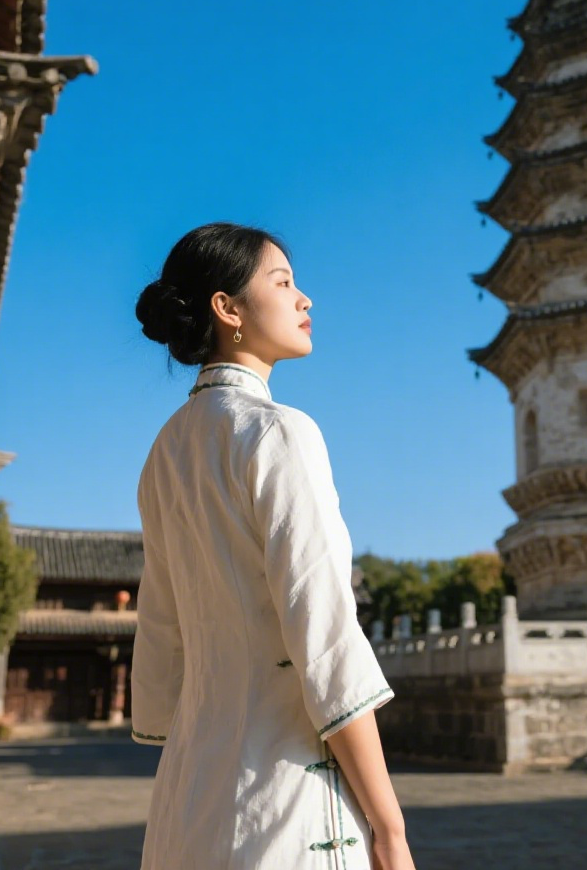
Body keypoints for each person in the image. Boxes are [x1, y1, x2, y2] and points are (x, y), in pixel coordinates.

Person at [132, 222, 416, 870]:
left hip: (188, 797)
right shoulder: (278, 433)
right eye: (282, 282)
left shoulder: (164, 453)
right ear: (227, 309)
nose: (304, 298)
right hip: (285, 799)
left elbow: (160, 633)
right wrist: (389, 825)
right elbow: (324, 634)